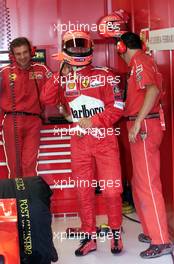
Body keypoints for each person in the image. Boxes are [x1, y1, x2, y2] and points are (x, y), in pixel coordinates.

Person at [40, 30, 124, 256]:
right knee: (83, 191)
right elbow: (46, 99)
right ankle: (90, 237)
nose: (77, 50)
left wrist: (93, 120)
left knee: (112, 191)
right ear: (65, 49)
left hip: (104, 139)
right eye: (73, 46)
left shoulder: (106, 74)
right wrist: (60, 73)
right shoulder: (63, 77)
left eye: (81, 45)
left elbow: (117, 107)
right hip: (79, 141)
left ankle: (116, 232)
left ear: (90, 47)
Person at [115, 32, 173, 258]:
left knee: (148, 184)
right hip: (143, 126)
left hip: (145, 128)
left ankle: (161, 240)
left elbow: (153, 90)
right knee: (140, 183)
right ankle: (152, 231)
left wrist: (138, 121)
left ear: (121, 48)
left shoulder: (139, 61)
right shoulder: (144, 61)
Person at [0, 37, 52, 178]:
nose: (22, 57)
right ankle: (18, 199)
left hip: (33, 122)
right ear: (12, 55)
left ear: (31, 51)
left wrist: (65, 74)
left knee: (29, 164)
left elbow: (57, 88)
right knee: (14, 166)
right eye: (18, 54)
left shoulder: (42, 70)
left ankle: (29, 199)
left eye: (25, 52)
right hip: (11, 121)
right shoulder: (4, 72)